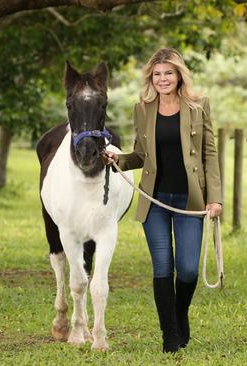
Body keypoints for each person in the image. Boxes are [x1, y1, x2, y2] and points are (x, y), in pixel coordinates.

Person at [103, 47, 222, 353]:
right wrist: (118, 158)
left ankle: (179, 314)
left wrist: (216, 198)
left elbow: (209, 152)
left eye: (168, 73)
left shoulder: (198, 105)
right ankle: (170, 335)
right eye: (157, 74)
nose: (163, 79)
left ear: (179, 74)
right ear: (151, 78)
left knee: (188, 270)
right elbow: (142, 156)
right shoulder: (142, 109)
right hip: (154, 200)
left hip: (189, 201)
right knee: (162, 267)